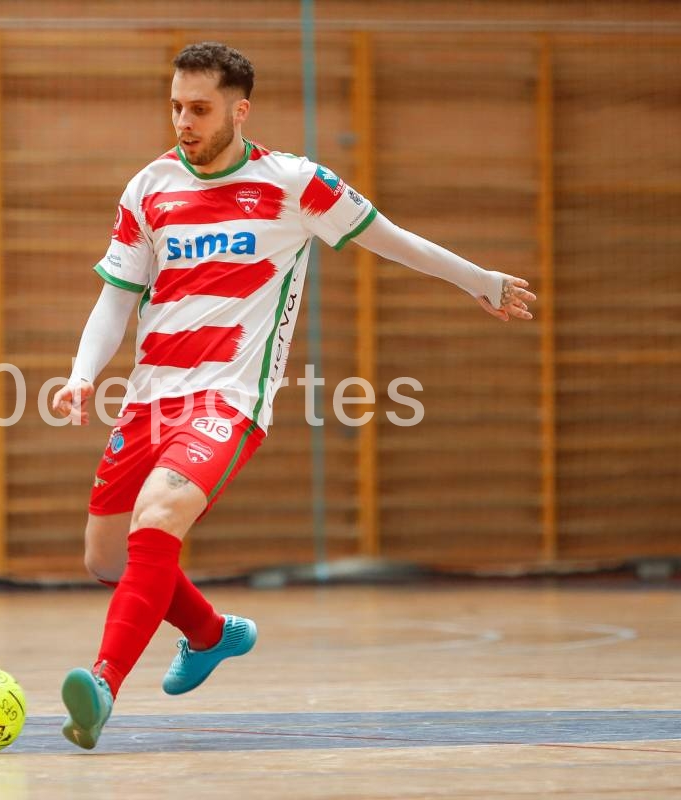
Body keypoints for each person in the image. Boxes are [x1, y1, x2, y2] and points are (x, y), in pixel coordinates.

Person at [49, 41, 536, 751]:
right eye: (177, 106)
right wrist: (83, 372)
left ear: (239, 110)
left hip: (229, 400)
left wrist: (480, 282)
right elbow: (116, 297)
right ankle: (212, 635)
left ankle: (101, 684)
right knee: (105, 559)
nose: (184, 121)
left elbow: (393, 240)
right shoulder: (148, 188)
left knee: (159, 516)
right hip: (151, 397)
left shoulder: (295, 183)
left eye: (201, 108)